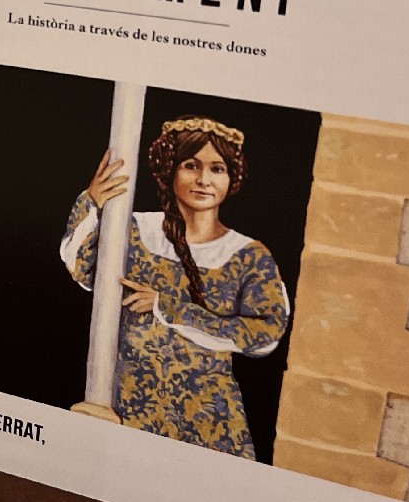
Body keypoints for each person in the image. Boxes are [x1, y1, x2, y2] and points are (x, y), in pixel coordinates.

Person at [59, 117, 290, 458]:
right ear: (170, 170)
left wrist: (169, 309)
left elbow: (266, 334)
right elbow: (83, 269)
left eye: (217, 169)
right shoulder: (133, 229)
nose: (203, 180)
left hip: (208, 419)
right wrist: (90, 203)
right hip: (131, 405)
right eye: (191, 165)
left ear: (231, 178)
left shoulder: (249, 256)